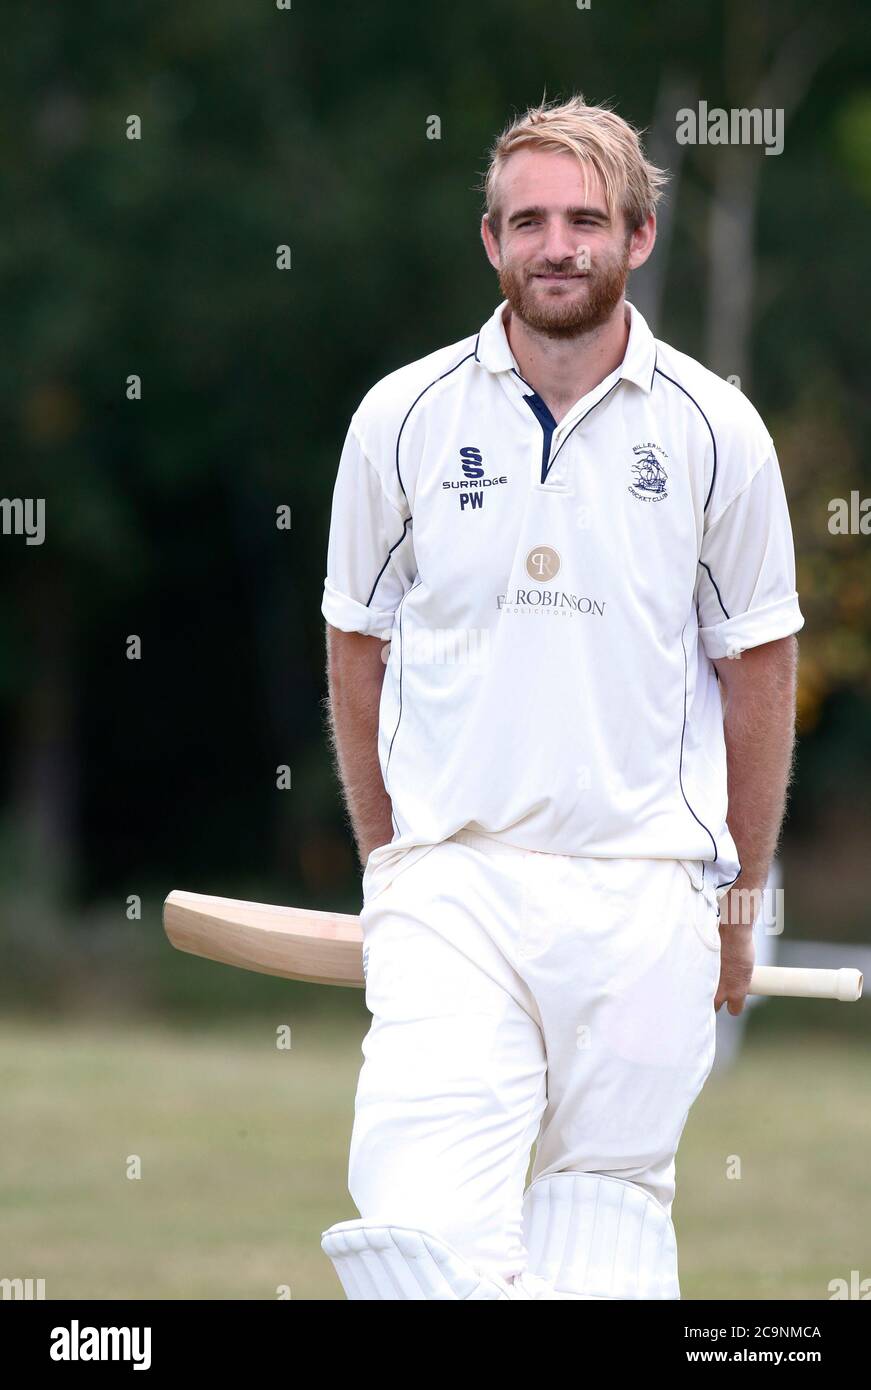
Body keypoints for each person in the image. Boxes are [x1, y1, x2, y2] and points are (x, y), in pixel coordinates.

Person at [318, 94, 803, 1300]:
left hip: (644, 893)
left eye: (586, 219)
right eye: (526, 220)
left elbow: (759, 674)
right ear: (490, 242)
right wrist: (393, 861)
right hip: (455, 880)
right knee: (419, 1242)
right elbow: (355, 646)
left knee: (603, 1243)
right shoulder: (402, 416)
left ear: (638, 237)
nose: (556, 245)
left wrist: (739, 901)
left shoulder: (715, 430)